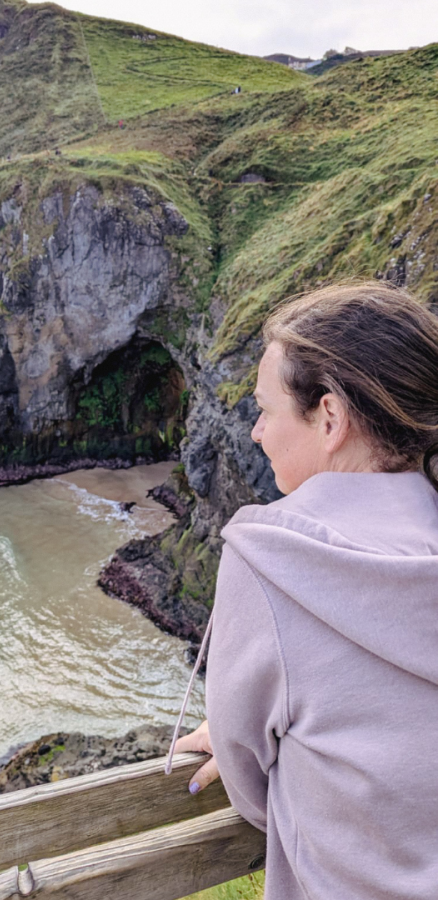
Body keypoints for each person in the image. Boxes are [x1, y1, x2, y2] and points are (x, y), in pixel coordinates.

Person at [171, 281, 438, 897]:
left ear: (330, 417)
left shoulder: (272, 561)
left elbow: (247, 781)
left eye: (266, 410)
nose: (258, 433)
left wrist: (256, 730)